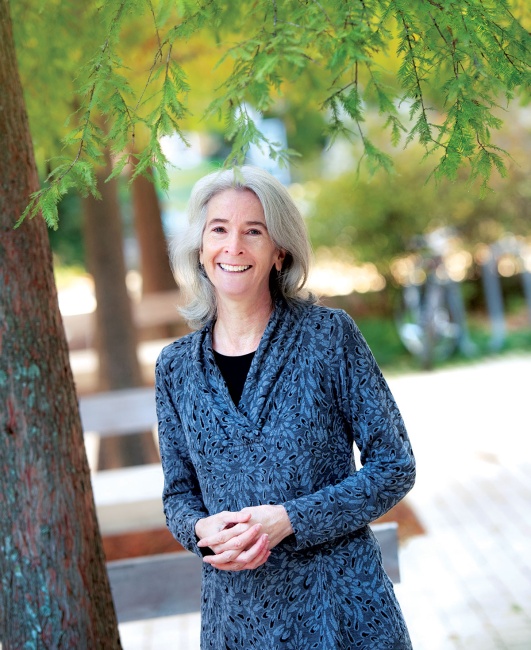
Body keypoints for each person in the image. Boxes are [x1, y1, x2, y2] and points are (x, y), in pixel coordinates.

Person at [155, 165, 416, 649]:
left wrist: (292, 519)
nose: (233, 246)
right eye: (219, 230)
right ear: (200, 248)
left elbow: (394, 465)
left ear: (279, 252)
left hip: (341, 615)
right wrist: (199, 530)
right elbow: (178, 494)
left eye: (253, 231)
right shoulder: (175, 368)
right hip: (237, 621)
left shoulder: (329, 337)